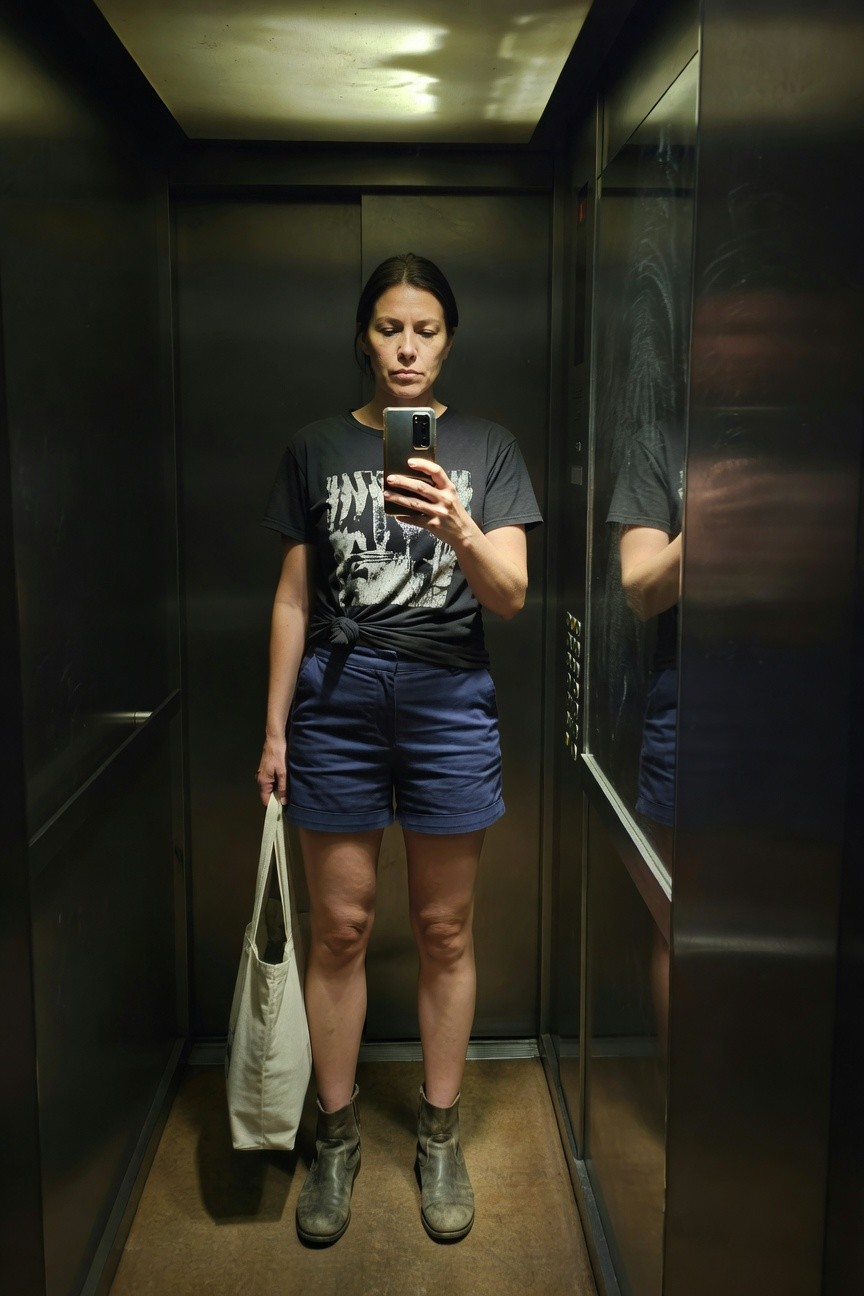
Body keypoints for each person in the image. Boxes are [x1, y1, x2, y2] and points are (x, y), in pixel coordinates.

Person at [255, 253, 542, 1246]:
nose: (407, 346)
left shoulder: (491, 447)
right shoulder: (316, 445)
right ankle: (334, 1137)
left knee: (445, 929)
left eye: (425, 329)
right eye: (389, 328)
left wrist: (459, 522)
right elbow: (293, 598)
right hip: (336, 703)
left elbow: (509, 596)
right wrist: (274, 726)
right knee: (339, 928)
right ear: (365, 337)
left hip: (449, 702)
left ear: (449, 337)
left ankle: (438, 1128)